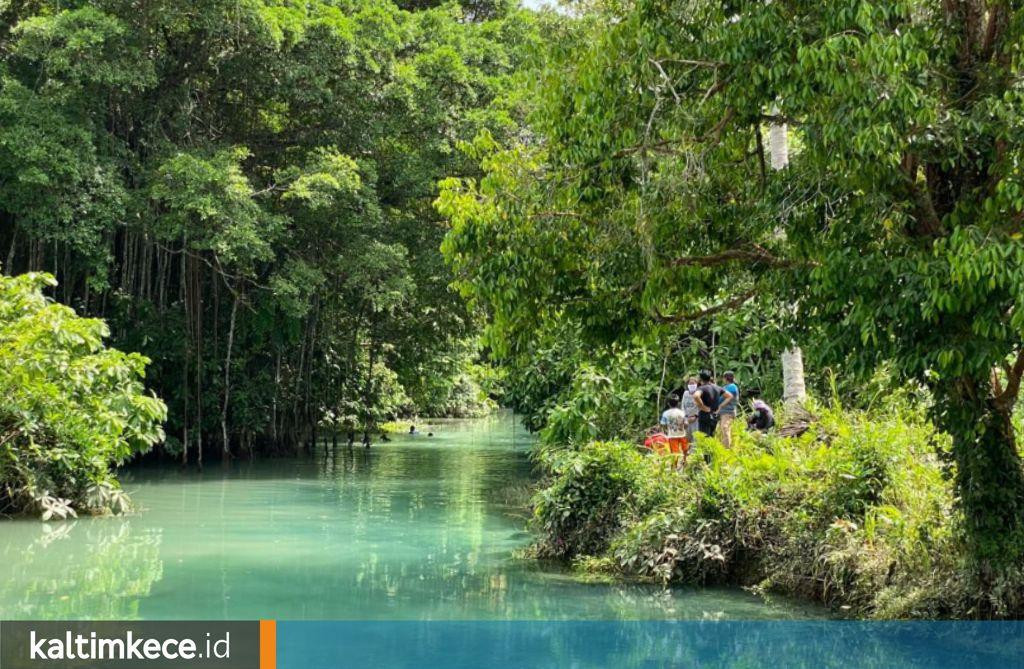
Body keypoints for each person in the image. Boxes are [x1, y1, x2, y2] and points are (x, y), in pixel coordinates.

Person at [693, 370, 725, 438]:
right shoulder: (717, 387)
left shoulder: (702, 388)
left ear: (700, 379)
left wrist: (702, 406)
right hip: (714, 414)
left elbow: (696, 396)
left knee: (704, 437)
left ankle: (705, 449)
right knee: (711, 437)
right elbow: (729, 396)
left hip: (705, 415)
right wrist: (720, 407)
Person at [659, 394, 689, 463]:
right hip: (682, 434)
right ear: (678, 403)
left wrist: (666, 431)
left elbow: (663, 424)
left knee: (675, 453)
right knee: (685, 450)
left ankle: (674, 467)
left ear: (669, 404)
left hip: (672, 436)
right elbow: (686, 423)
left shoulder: (665, 413)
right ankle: (685, 462)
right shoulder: (682, 412)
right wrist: (684, 428)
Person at [717, 371, 739, 448]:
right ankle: (725, 447)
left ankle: (726, 449)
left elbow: (724, 398)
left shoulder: (732, 387)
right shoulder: (726, 387)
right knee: (722, 430)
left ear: (726, 378)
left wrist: (719, 405)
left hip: (728, 412)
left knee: (725, 428)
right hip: (724, 412)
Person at [680, 377, 700, 444]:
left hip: (695, 419)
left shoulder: (699, 393)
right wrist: (684, 418)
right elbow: (683, 405)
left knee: (695, 437)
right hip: (686, 419)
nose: (691, 385)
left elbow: (700, 406)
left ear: (696, 384)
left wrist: (696, 416)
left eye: (693, 383)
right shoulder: (685, 393)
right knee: (686, 437)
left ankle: (694, 453)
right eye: (690, 383)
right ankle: (687, 453)